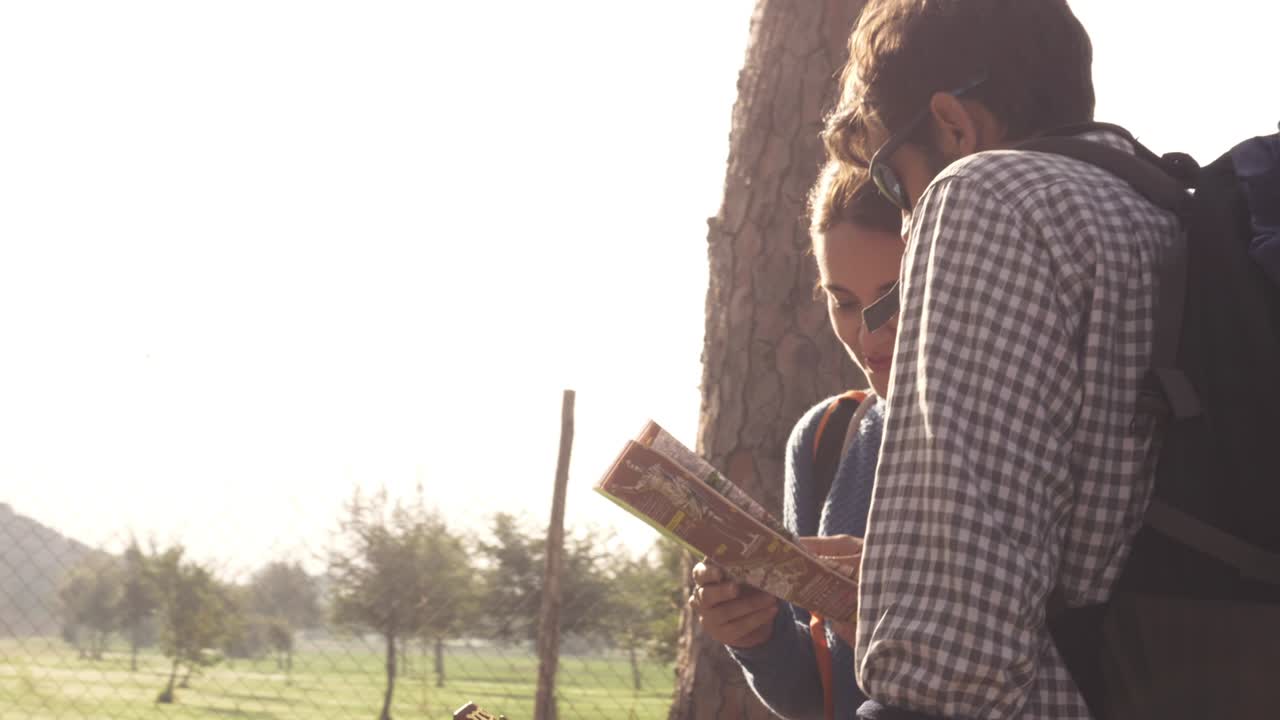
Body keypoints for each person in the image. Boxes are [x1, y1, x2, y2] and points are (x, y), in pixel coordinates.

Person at [819, 1, 1185, 718]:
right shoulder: (1159, 204)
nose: (904, 216)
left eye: (893, 182)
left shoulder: (985, 194)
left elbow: (947, 652)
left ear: (954, 125)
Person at [688, 163, 904, 720]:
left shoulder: (1006, 432)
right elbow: (818, 698)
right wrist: (755, 637)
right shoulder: (827, 438)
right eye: (844, 302)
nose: (868, 335)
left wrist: (900, 613)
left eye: (892, 298)